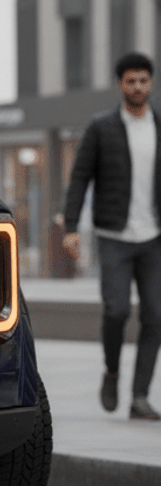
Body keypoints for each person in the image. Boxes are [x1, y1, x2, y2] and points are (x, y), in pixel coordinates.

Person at [63, 52, 161, 421]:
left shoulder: (158, 124)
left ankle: (138, 396)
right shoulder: (101, 127)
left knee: (156, 315)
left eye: (144, 80)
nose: (138, 87)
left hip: (154, 237)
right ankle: (112, 370)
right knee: (116, 310)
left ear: (150, 84)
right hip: (114, 235)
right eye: (131, 81)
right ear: (121, 84)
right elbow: (80, 177)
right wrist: (71, 227)